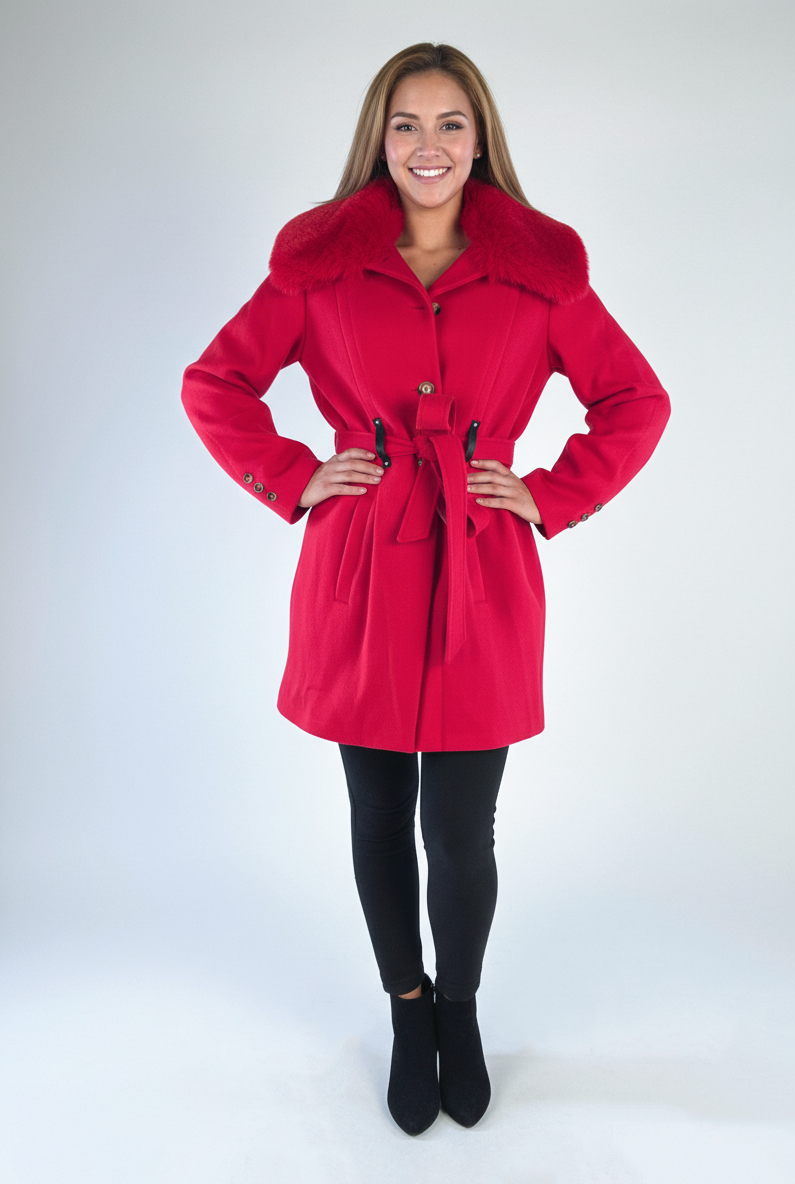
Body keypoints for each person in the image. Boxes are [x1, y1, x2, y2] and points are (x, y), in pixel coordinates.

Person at [181, 42, 671, 1135]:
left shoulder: (542, 274)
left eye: (451, 123)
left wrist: (548, 494)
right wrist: (296, 475)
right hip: (360, 567)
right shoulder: (317, 268)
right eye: (406, 123)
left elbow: (636, 400)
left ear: (480, 139)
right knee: (376, 813)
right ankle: (407, 1012)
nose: (429, 145)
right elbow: (215, 381)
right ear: (380, 137)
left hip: (483, 571)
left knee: (459, 830)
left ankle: (460, 1007)